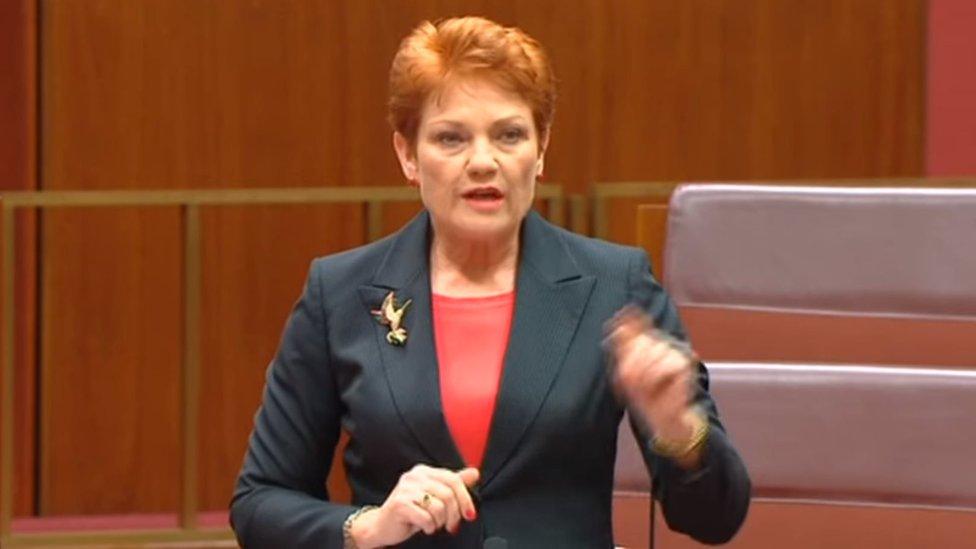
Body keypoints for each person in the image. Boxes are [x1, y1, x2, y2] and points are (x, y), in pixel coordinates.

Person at [230, 16, 750, 548]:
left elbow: (718, 518)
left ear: (541, 148)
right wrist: (365, 526)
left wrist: (680, 430)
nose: (483, 161)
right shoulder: (339, 293)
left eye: (509, 135)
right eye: (452, 138)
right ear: (408, 155)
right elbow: (260, 501)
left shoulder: (617, 286)